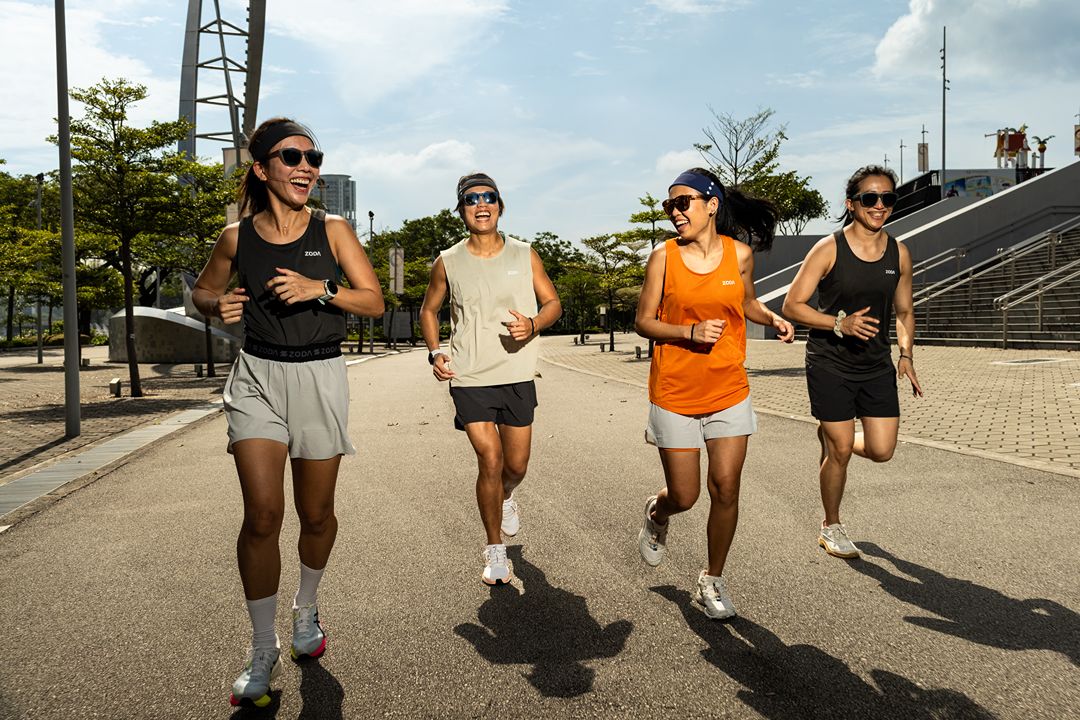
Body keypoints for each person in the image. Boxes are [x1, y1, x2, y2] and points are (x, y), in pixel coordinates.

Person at [192, 118, 384, 707]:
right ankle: (261, 646)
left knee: (317, 514)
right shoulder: (235, 237)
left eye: (314, 157)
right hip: (257, 376)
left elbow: (374, 302)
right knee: (262, 514)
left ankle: (307, 611)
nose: (307, 167)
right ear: (261, 168)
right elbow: (201, 292)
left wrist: (320, 290)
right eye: (293, 156)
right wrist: (214, 304)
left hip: (321, 377)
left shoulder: (335, 230)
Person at [635, 167, 794, 620]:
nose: (674, 212)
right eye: (670, 205)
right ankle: (657, 513)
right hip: (675, 392)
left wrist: (773, 318)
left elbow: (745, 302)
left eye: (682, 202)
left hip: (728, 387)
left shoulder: (740, 254)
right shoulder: (662, 257)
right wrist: (688, 331)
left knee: (725, 487)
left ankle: (712, 578)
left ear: (711, 204)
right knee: (685, 496)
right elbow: (644, 321)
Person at [419, 173, 562, 586]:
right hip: (470, 376)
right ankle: (495, 549)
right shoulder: (447, 261)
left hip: (517, 373)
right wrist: (435, 351)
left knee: (515, 466)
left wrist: (533, 324)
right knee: (491, 459)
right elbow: (429, 310)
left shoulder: (525, 254)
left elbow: (553, 302)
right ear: (461, 209)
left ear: (500, 206)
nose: (481, 205)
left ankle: (508, 496)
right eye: (471, 199)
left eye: (489, 198)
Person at [782, 164, 923, 560]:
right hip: (830, 362)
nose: (880, 206)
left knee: (882, 450)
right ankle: (831, 525)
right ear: (851, 203)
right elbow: (792, 305)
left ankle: (832, 438)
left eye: (888, 199)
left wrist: (906, 353)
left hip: (876, 365)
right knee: (841, 449)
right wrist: (839, 323)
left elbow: (905, 311)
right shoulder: (829, 249)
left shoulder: (900, 252)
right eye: (870, 198)